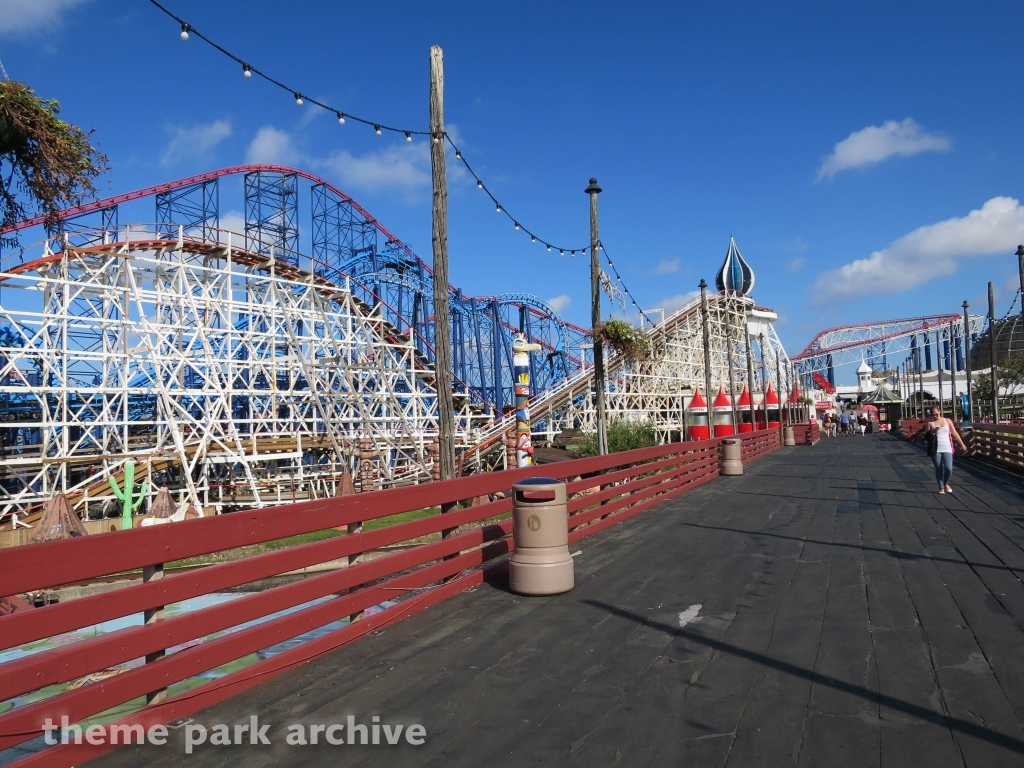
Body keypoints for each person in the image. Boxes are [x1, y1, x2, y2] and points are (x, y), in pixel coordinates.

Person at [924, 406, 968, 494]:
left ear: (940, 411)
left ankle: (946, 483)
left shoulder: (947, 421)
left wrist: (962, 444)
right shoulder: (930, 423)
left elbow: (954, 432)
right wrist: (933, 431)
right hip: (935, 449)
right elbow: (926, 437)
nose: (935, 416)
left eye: (936, 414)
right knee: (938, 468)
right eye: (933, 415)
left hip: (947, 447)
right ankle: (941, 488)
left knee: (948, 468)